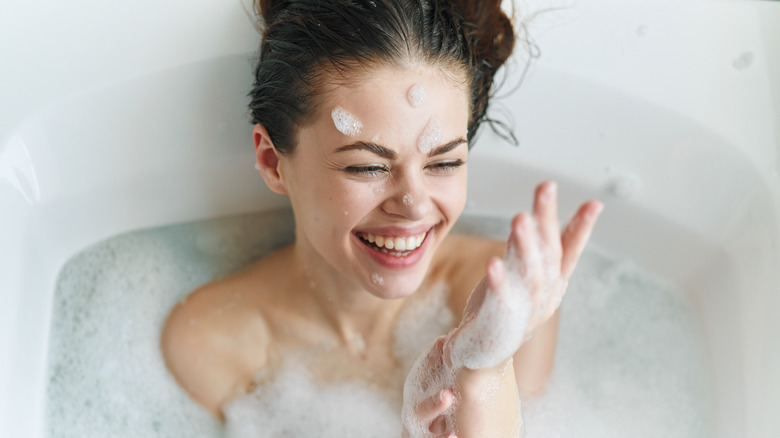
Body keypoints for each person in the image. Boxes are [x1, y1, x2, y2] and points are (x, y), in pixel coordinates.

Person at [161, 0, 603, 436]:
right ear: (273, 163)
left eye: (444, 163)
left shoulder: (498, 299)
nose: (413, 203)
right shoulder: (214, 342)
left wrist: (483, 373)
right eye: (367, 167)